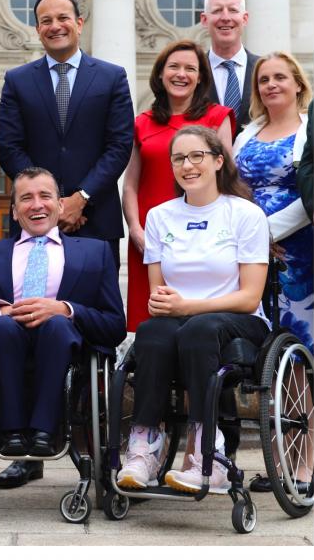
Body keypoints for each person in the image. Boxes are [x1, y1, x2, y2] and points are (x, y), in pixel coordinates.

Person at [0, 0, 133, 486]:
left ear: (80, 21)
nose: (54, 26)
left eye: (62, 18)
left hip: (93, 221)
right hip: (32, 222)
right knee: (30, 323)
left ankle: (95, 447)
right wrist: (45, 202)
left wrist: (80, 200)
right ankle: (29, 451)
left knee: (91, 327)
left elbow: (120, 145)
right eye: (45, 20)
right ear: (38, 29)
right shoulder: (17, 80)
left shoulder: (111, 77)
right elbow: (8, 144)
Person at [116, 126, 270, 494]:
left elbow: (249, 297)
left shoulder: (245, 214)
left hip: (239, 321)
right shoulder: (159, 217)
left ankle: (208, 454)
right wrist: (169, 306)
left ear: (218, 161)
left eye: (197, 156)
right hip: (180, 320)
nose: (188, 165)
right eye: (179, 158)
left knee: (200, 330)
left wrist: (189, 306)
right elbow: (159, 294)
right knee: (150, 331)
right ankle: (144, 448)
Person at [0, 167, 125, 480]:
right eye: (26, 198)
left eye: (45, 196)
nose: (37, 204)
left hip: (68, 354)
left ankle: (45, 431)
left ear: (60, 205)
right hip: (3, 349)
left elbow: (114, 326)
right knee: (2, 326)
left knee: (57, 326)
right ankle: (11, 433)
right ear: (15, 212)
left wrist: (66, 310)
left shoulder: (95, 253)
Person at [122, 40, 235, 332]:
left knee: (197, 316)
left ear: (201, 77)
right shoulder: (142, 123)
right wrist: (136, 230)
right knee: (151, 321)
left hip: (201, 232)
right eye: (173, 66)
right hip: (149, 236)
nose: (181, 74)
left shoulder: (217, 117)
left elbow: (227, 179)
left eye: (190, 68)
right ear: (160, 74)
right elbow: (130, 185)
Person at [233, 52, 313, 354]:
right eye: (263, 80)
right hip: (249, 251)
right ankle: (275, 402)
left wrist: (265, 232)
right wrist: (250, 237)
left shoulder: (312, 130)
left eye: (280, 77)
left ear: (298, 85)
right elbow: (229, 185)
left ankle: (308, 403)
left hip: (298, 249)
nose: (271, 85)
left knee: (302, 335)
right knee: (267, 339)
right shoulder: (246, 134)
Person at [201, 0, 258, 133]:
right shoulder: (193, 72)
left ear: (245, 18)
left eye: (233, 10)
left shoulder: (264, 71)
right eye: (217, 10)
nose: (225, 17)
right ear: (204, 20)